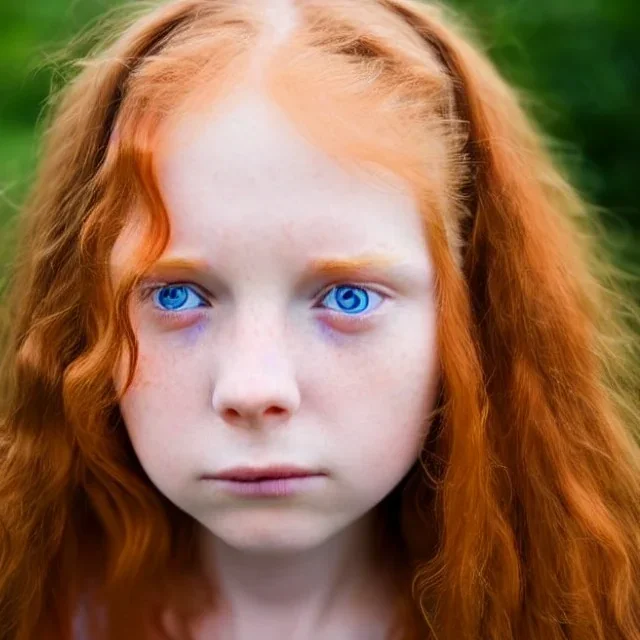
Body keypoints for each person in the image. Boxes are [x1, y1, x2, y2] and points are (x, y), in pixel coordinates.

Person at [1, 0, 639, 638]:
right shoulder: (27, 607)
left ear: (474, 311)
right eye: (175, 296)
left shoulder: (592, 611)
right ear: (80, 316)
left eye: (347, 298)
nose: (254, 390)